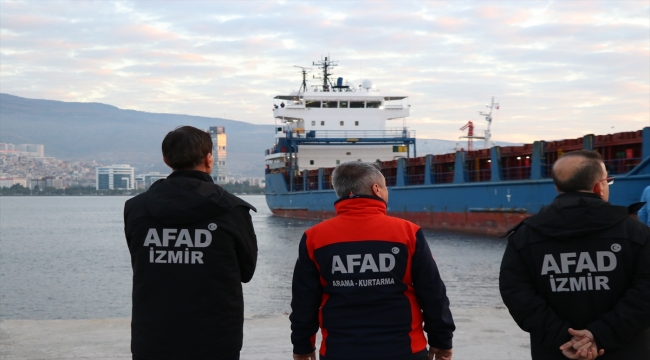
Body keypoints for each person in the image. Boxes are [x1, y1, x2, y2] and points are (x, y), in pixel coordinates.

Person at [290, 161, 455, 360]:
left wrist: (302, 347)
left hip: (339, 351)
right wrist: (442, 340)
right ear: (376, 189)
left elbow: (304, 301)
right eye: (385, 187)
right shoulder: (408, 233)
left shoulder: (314, 238)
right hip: (405, 350)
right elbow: (432, 293)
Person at [499, 150, 650, 359]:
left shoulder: (524, 236)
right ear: (599, 186)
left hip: (555, 352)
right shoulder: (637, 233)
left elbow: (516, 294)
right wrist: (599, 336)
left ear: (557, 186)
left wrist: (562, 338)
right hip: (626, 351)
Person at [124, 126, 258, 360]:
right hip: (216, 338)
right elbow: (246, 271)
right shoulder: (232, 210)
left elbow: (139, 260)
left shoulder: (136, 208)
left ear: (166, 160)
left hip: (153, 337)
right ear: (209, 159)